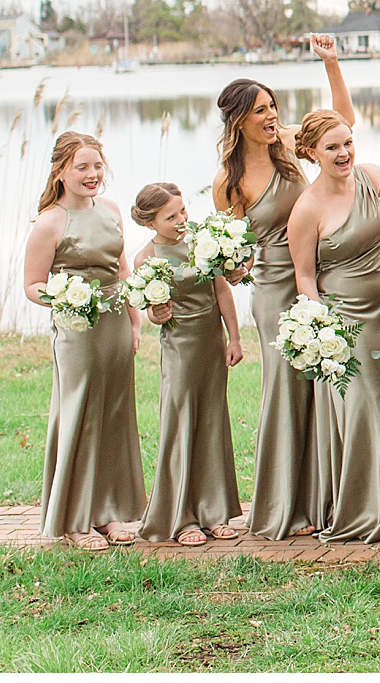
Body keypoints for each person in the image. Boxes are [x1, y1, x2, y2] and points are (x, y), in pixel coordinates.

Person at [212, 33, 355, 540]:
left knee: (327, 386)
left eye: (273, 107)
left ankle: (330, 498)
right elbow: (230, 257)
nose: (271, 117)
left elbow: (343, 122)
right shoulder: (229, 180)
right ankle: (284, 507)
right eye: (260, 112)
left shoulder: (291, 142)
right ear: (238, 122)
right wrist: (233, 266)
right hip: (274, 287)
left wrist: (331, 64)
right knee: (287, 387)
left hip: (322, 276)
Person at [288, 109, 380, 544]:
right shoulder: (306, 208)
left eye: (348, 142)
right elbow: (305, 276)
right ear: (311, 153)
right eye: (332, 147)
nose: (344, 153)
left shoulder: (368, 177)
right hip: (347, 326)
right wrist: (322, 333)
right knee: (364, 409)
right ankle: (367, 508)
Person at [23, 132, 144, 551]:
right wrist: (64, 298)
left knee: (114, 415)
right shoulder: (50, 222)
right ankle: (75, 521)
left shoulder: (111, 210)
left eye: (97, 166)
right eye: (83, 167)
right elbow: (32, 285)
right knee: (81, 414)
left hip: (114, 325)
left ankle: (108, 512)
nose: (93, 175)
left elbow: (123, 271)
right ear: (61, 171)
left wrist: (135, 321)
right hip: (76, 332)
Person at [132, 182, 244, 545]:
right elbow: (152, 312)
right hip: (179, 349)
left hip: (211, 343)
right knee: (181, 423)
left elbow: (221, 289)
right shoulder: (145, 259)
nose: (181, 220)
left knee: (212, 422)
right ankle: (181, 518)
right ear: (150, 222)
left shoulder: (202, 241)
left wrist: (235, 338)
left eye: (182, 211)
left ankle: (215, 512)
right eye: (171, 216)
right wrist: (156, 313)